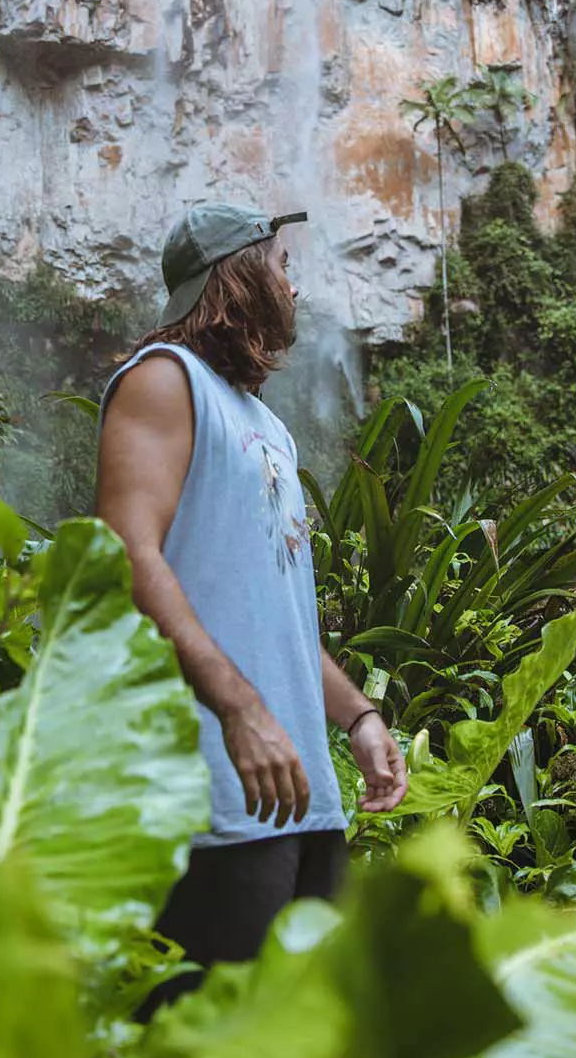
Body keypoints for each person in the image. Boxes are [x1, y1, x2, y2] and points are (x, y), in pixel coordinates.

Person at [96, 200, 408, 981]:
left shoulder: (265, 424)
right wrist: (238, 709)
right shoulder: (164, 382)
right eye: (281, 267)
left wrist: (357, 718)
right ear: (236, 279)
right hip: (216, 800)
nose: (294, 289)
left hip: (306, 798)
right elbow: (126, 558)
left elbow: (278, 612)